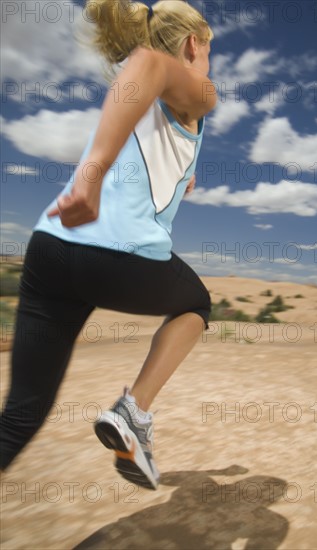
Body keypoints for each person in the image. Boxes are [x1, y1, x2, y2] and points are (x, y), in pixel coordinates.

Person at [0, 0, 216, 490]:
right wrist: (91, 175)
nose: (208, 68)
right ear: (192, 45)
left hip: (50, 249)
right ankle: (133, 412)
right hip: (119, 258)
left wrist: (183, 172)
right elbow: (153, 64)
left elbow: (145, 99)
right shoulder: (195, 92)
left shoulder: (139, 97)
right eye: (208, 55)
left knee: (20, 416)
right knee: (196, 303)